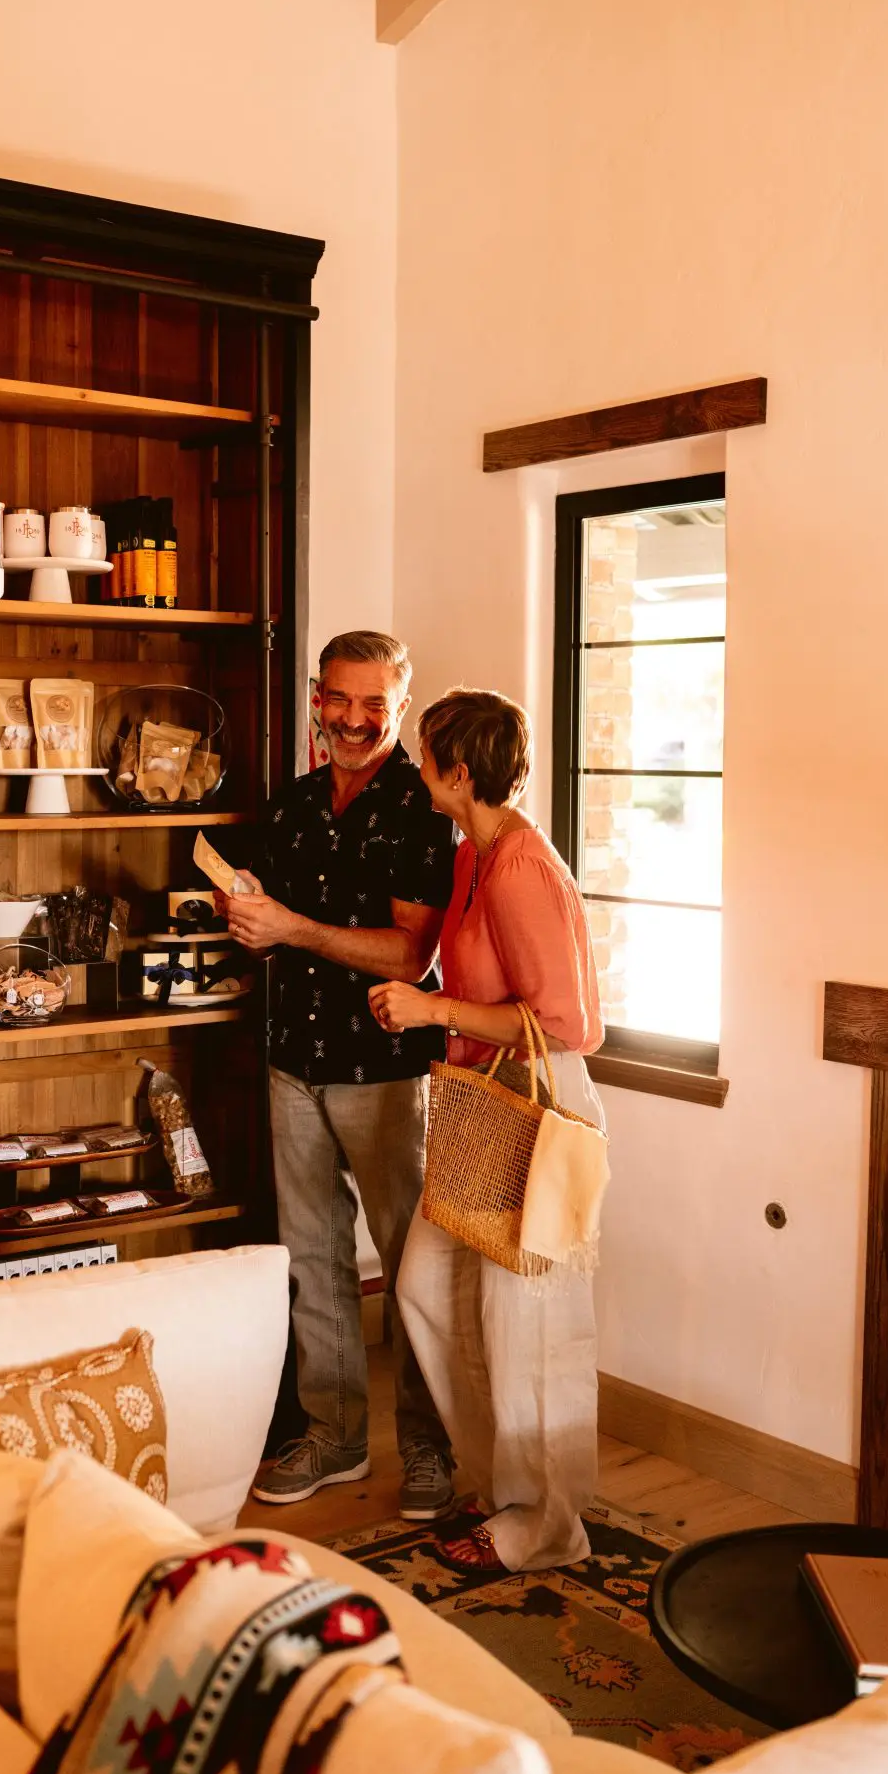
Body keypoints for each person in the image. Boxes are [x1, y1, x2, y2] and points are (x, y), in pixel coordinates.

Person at [218, 631, 457, 1519]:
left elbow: (412, 952)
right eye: (339, 700)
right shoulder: (292, 803)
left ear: (399, 704)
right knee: (312, 1264)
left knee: (414, 1269)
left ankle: (432, 1450)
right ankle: (335, 1436)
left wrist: (291, 929)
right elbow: (269, 906)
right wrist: (243, 907)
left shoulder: (421, 805)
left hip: (385, 1068)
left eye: (374, 704)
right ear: (316, 698)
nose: (353, 720)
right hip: (292, 1059)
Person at [368, 687, 605, 1574]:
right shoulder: (473, 854)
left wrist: (430, 1005)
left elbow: (568, 1025)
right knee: (427, 1289)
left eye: (424, 754)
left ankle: (544, 1522)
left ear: (457, 772)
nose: (414, 766)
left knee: (525, 1322)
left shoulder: (516, 868)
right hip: (480, 1104)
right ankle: (500, 1479)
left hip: (537, 1106)